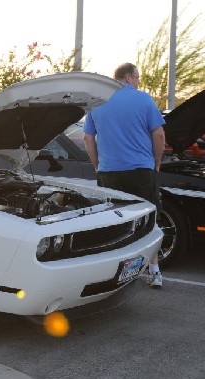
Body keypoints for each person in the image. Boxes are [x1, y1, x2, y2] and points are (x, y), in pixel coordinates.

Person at [84, 62, 166, 288]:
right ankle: (154, 271)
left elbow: (88, 138)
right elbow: (158, 135)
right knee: (148, 221)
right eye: (137, 77)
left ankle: (112, 275)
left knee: (114, 223)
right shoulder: (143, 99)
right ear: (129, 77)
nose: (139, 82)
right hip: (141, 170)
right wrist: (156, 162)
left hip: (109, 173)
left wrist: (97, 165)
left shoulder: (97, 103)